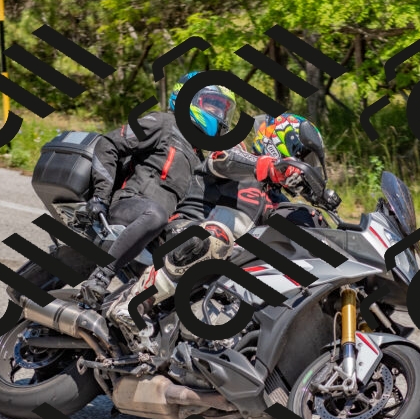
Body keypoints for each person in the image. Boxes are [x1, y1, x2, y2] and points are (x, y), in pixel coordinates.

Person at [105, 113, 325, 352]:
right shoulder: (240, 157)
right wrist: (269, 167)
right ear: (282, 143)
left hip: (223, 264)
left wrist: (320, 218)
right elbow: (220, 159)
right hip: (183, 235)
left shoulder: (277, 199)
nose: (304, 166)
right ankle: (132, 304)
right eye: (304, 157)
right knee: (216, 237)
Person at [78, 71, 237, 309]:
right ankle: (102, 275)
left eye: (223, 108)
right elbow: (108, 143)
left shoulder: (199, 158)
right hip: (128, 206)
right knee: (156, 214)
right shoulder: (163, 123)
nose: (219, 113)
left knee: (203, 245)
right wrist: (100, 196)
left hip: (157, 230)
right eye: (212, 104)